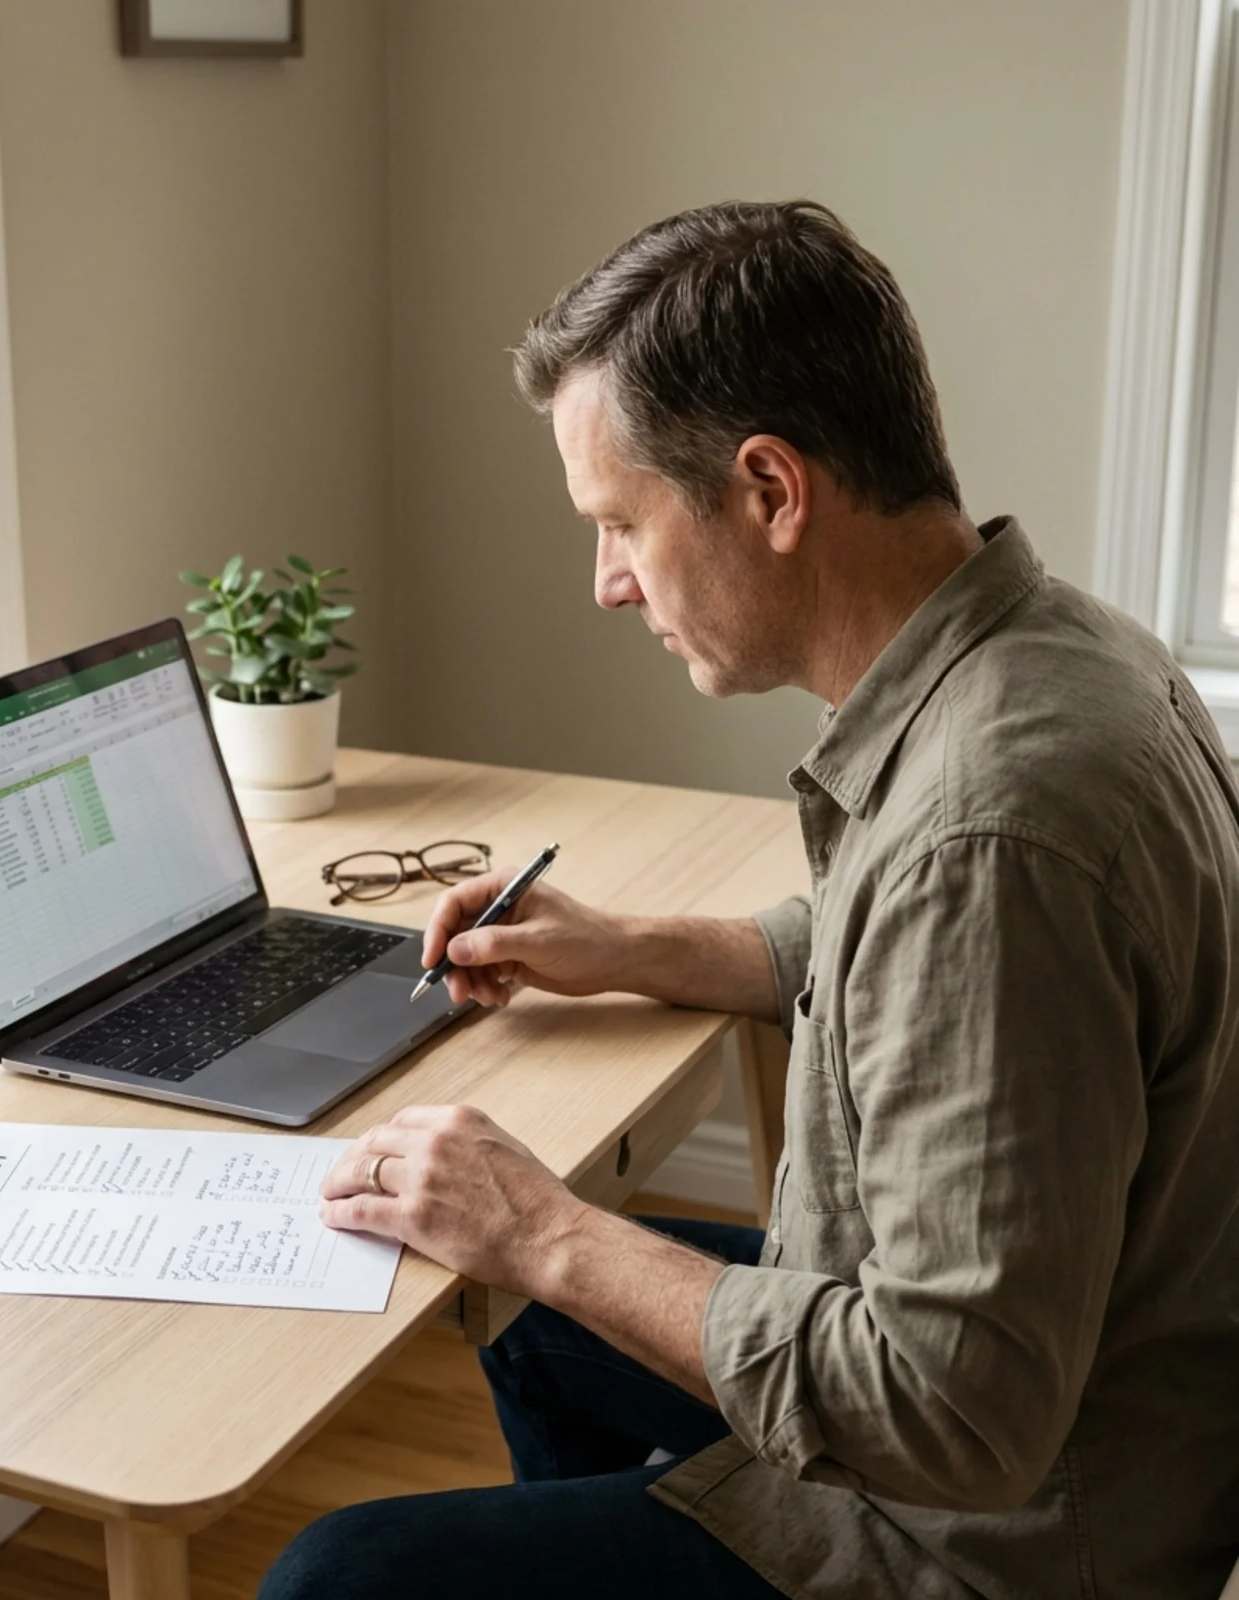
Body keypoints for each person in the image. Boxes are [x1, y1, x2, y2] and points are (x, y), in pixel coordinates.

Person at [258, 201, 1239, 1600]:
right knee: (537, 1330)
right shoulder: (1061, 651)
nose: (608, 584)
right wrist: (627, 947)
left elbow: (952, 1416)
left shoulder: (988, 838)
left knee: (336, 1575)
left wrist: (545, 1226)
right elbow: (905, 958)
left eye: (621, 523)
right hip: (1114, 1416)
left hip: (990, 1541)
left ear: (771, 491)